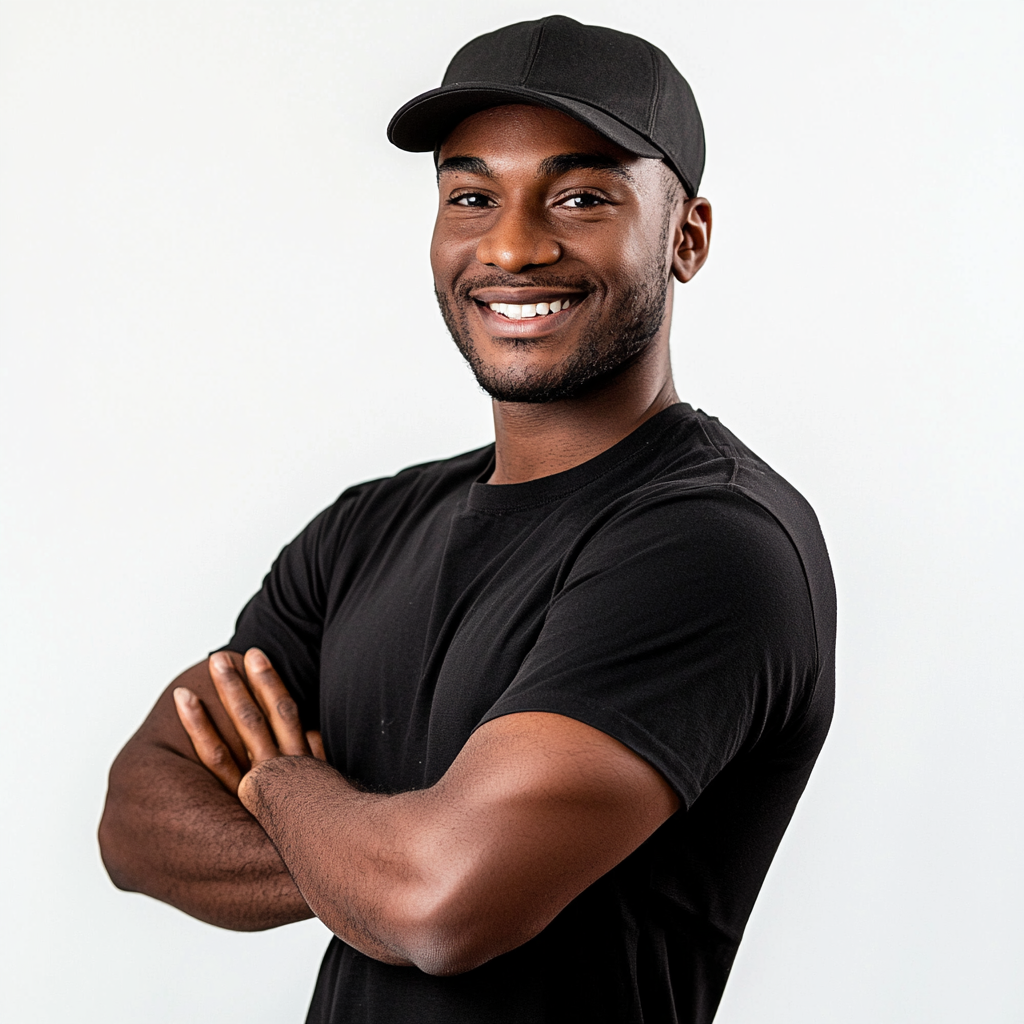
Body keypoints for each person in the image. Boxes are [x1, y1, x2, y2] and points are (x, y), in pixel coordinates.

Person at [99, 15, 835, 1024]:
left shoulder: (712, 542)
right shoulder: (366, 530)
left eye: (580, 197)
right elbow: (136, 818)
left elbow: (438, 905)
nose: (513, 246)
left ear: (686, 237)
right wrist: (371, 858)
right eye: (471, 196)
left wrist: (278, 785)